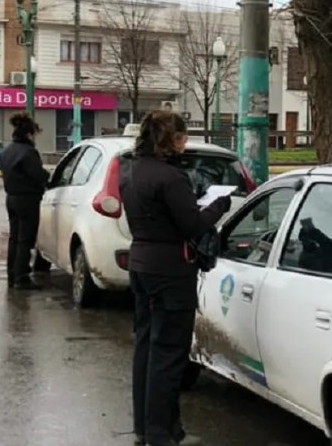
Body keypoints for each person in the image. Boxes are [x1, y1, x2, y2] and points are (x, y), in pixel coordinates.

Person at [121, 111, 232, 446]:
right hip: (170, 270)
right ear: (170, 140)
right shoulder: (171, 178)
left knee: (146, 346)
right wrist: (219, 206)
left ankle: (145, 426)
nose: (185, 144)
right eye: (182, 137)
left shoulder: (130, 171)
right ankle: (161, 432)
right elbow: (192, 225)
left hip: (140, 263)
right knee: (169, 352)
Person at [0, 112, 49, 290]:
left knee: (14, 238)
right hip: (27, 200)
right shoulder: (28, 153)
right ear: (28, 134)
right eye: (34, 134)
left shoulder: (6, 152)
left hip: (11, 198)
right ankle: (22, 277)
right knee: (25, 239)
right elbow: (39, 176)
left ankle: (12, 275)